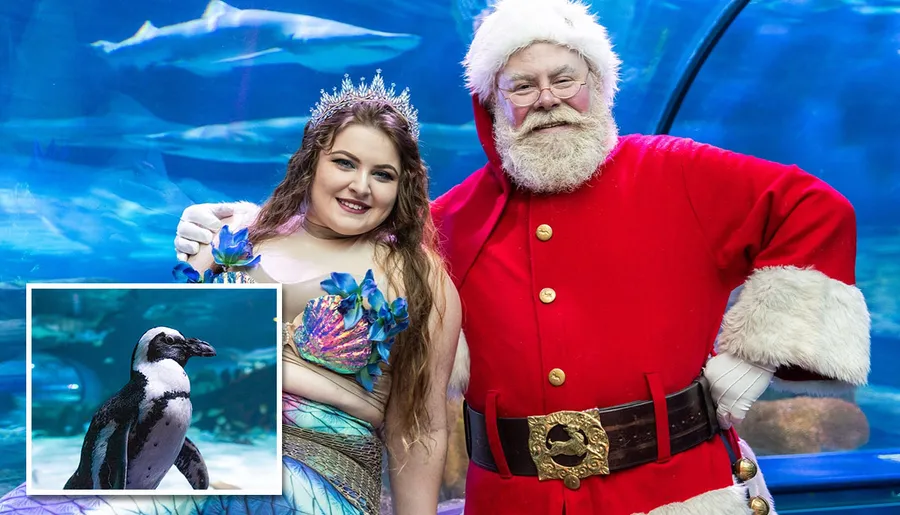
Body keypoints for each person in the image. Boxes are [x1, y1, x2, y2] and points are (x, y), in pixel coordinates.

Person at [171, 0, 872, 513]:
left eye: (566, 78)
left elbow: (818, 209)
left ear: (599, 86)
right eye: (522, 86)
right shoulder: (446, 223)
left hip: (680, 491)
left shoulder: (677, 169)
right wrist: (239, 223)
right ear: (491, 106)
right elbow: (342, 247)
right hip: (512, 499)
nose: (548, 101)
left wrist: (748, 360)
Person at [0, 71, 461, 515]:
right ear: (311, 160)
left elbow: (419, 428)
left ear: (404, 186)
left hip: (319, 477)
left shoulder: (421, 278)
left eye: (383, 174)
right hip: (200, 448)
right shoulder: (236, 234)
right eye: (344, 162)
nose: (360, 186)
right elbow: (163, 324)